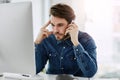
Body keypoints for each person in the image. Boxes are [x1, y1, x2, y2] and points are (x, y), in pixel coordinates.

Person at [34, 3, 97, 78]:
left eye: (60, 25)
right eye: (53, 25)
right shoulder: (46, 39)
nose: (55, 30)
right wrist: (37, 43)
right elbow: (34, 70)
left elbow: (90, 73)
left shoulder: (86, 40)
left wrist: (76, 43)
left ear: (71, 24)